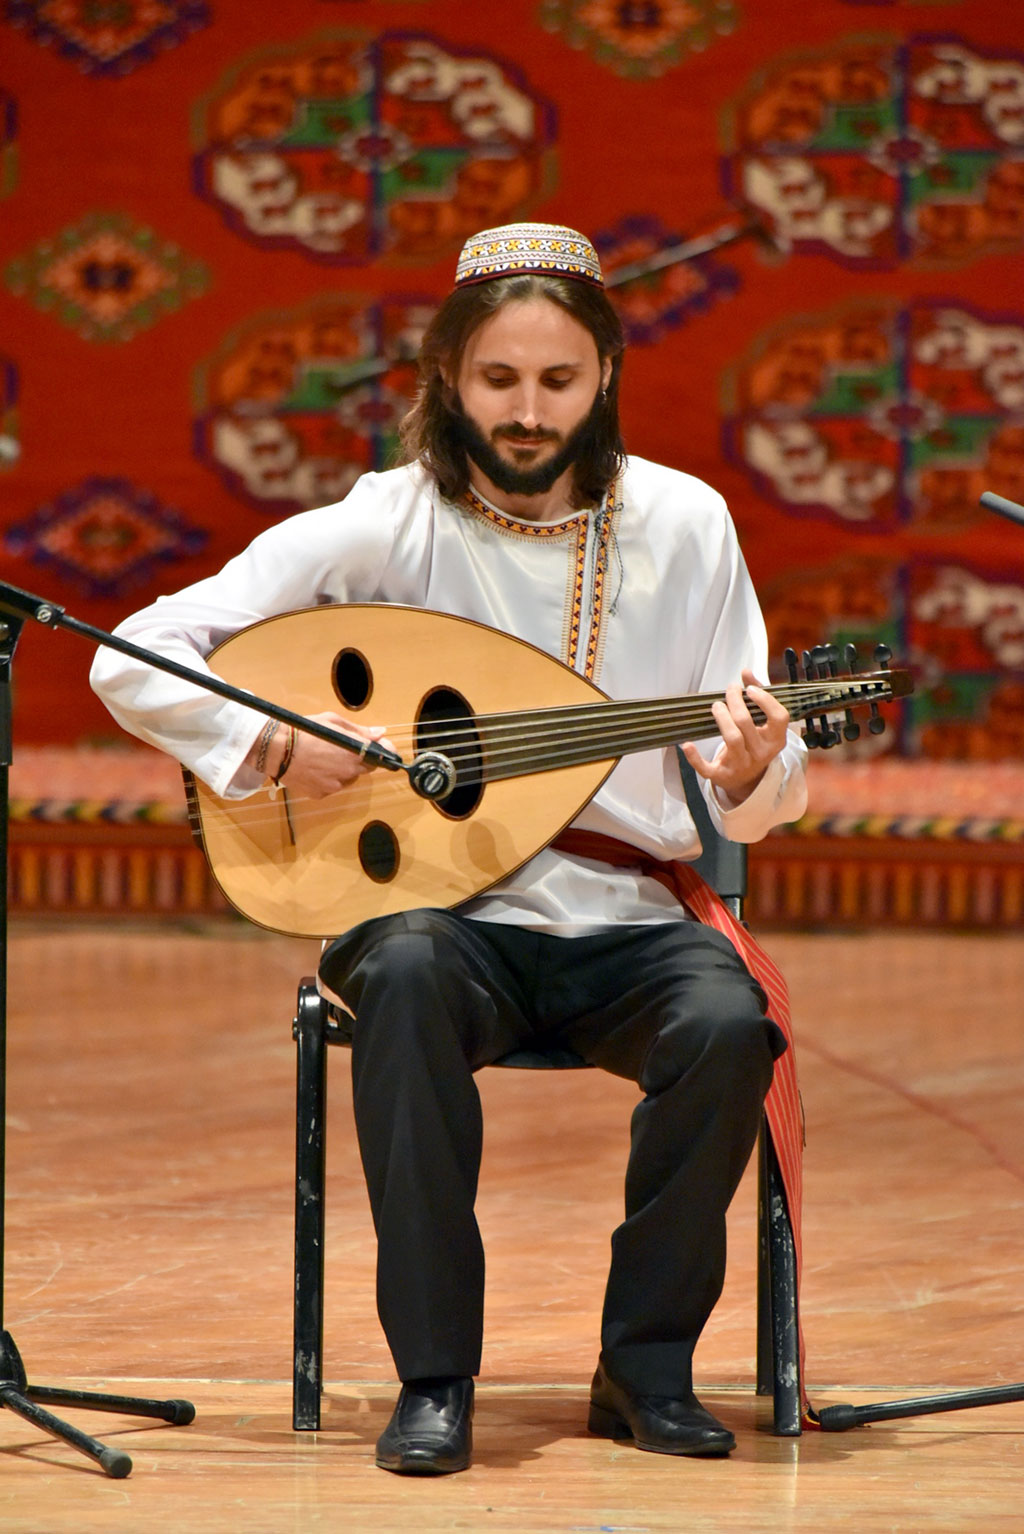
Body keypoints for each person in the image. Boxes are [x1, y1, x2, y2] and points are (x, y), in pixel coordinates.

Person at [90, 222, 808, 1476]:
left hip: (623, 916)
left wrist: (755, 774)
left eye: (556, 382)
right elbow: (131, 652)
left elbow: (752, 783)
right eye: (497, 382)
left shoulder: (685, 525)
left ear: (603, 380)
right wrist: (266, 743)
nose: (527, 413)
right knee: (411, 975)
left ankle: (643, 1365)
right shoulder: (385, 521)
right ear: (447, 379)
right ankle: (434, 1377)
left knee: (728, 1024)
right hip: (430, 913)